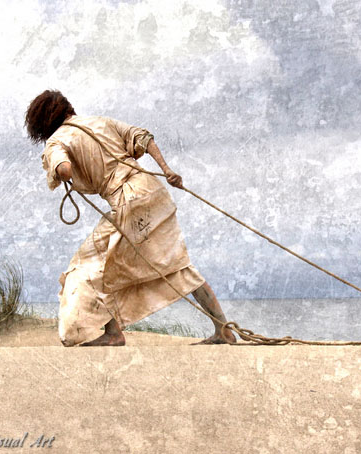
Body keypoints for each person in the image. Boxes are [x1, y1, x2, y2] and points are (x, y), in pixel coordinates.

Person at [24, 90, 237, 346]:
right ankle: (223, 329)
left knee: (92, 265)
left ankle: (113, 334)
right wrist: (167, 170)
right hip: (153, 192)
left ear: (42, 122)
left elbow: (64, 168)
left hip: (128, 201)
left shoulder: (57, 141)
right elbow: (143, 138)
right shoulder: (101, 122)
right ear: (67, 108)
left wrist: (63, 172)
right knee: (176, 263)